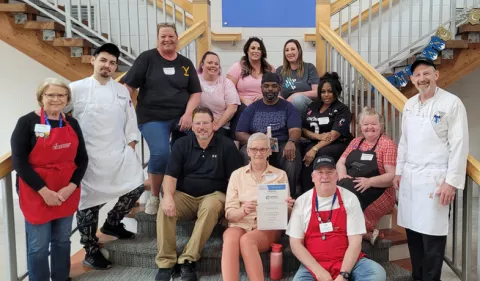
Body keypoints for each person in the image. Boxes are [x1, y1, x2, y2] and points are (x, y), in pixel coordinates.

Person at [67, 43, 145, 269]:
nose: (107, 66)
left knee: (136, 186)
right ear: (93, 61)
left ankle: (112, 222)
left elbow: (130, 120)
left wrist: (130, 146)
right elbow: (56, 112)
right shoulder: (76, 88)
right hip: (88, 158)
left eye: (112, 63)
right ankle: (90, 249)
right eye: (103, 60)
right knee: (88, 204)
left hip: (117, 152)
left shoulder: (121, 90)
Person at [394, 57, 469, 281]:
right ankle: (417, 277)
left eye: (426, 73)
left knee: (433, 241)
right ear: (412, 79)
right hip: (410, 179)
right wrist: (398, 171)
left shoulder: (452, 103)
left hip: (436, 181)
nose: (422, 78)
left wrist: (451, 182)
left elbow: (459, 144)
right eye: (417, 75)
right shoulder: (409, 104)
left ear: (436, 75)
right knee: (414, 237)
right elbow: (404, 141)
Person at [11, 78, 88, 281]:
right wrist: (44, 192)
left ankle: (61, 277)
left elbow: (82, 159)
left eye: (61, 95)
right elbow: (20, 163)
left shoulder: (72, 123)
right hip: (36, 191)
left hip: (66, 190)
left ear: (67, 99)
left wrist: (71, 187)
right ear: (41, 97)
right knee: (39, 245)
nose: (56, 99)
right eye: (50, 94)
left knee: (62, 240)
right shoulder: (26, 122)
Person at [121, 23, 202, 215]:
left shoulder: (185, 63)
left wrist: (188, 113)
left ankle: (179, 194)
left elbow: (196, 92)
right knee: (161, 153)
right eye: (163, 36)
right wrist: (124, 110)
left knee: (189, 152)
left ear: (177, 39)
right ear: (158, 38)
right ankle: (156, 196)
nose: (167, 40)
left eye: (171, 36)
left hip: (182, 117)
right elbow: (128, 86)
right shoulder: (147, 59)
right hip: (152, 117)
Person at [155, 107, 243, 281]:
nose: (201, 127)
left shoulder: (226, 145)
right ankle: (166, 263)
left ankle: (188, 260)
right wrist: (168, 197)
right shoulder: (181, 144)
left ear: (214, 124)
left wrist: (232, 208)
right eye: (197, 123)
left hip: (214, 196)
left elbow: (236, 180)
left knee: (211, 206)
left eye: (205, 123)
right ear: (192, 126)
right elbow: (170, 176)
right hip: (185, 196)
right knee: (164, 207)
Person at [287, 156, 386, 281]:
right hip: (314, 264)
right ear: (313, 176)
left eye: (329, 172)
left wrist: (344, 274)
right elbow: (295, 244)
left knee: (377, 273)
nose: (325, 176)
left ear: (337, 175)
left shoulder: (350, 198)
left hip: (349, 261)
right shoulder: (302, 202)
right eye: (320, 172)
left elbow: (355, 242)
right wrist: (318, 271)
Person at [222, 133, 295, 281]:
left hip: (268, 226)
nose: (258, 153)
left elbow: (285, 214)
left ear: (269, 151)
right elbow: (229, 213)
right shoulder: (237, 175)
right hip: (241, 222)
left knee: (247, 240)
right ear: (247, 151)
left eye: (263, 149)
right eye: (254, 149)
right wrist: (243, 210)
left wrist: (288, 207)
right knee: (230, 237)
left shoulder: (280, 175)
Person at [336, 107, 397, 245]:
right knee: (338, 190)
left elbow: (391, 176)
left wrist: (369, 181)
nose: (369, 127)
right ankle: (365, 235)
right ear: (360, 126)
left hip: (379, 190)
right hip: (350, 186)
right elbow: (340, 162)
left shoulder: (387, 145)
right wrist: (343, 175)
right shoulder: (355, 142)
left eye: (373, 124)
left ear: (381, 126)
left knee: (343, 198)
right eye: (366, 124)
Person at [235, 72, 302, 197]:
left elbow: (295, 130)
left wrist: (291, 142)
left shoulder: (288, 107)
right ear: (261, 88)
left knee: (292, 155)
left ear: (279, 88)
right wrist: (258, 141)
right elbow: (239, 133)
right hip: (257, 144)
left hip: (282, 143)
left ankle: (289, 197)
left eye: (274, 86)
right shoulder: (252, 108)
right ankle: (250, 195)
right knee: (245, 152)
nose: (270, 89)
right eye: (266, 86)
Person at [300, 72, 353, 193]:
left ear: (336, 91)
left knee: (319, 154)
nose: (326, 95)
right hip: (315, 141)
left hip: (336, 144)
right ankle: (304, 193)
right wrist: (317, 136)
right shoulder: (313, 106)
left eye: (330, 91)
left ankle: (319, 191)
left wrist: (314, 149)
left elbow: (333, 135)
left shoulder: (342, 109)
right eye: (323, 92)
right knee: (299, 152)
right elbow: (303, 129)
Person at [227, 37, 274, 135]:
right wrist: (244, 100)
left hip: (264, 102)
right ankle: (237, 142)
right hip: (242, 103)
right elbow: (228, 89)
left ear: (262, 52)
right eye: (253, 48)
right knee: (243, 109)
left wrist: (264, 95)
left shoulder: (270, 69)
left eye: (259, 48)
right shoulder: (237, 66)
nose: (256, 51)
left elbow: (275, 88)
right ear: (247, 50)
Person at [198, 51, 240, 138]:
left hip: (220, 126)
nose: (213, 65)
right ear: (202, 65)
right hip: (197, 125)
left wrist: (217, 125)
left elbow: (232, 107)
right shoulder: (194, 80)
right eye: (209, 62)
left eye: (216, 64)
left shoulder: (226, 82)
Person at [276, 39, 319, 117]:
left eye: (293, 49)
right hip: (286, 106)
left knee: (297, 100)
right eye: (287, 50)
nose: (289, 52)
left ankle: (300, 126)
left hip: (307, 106)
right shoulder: (279, 70)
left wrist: (296, 95)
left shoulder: (309, 67)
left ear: (299, 51)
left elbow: (316, 92)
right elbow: (277, 93)